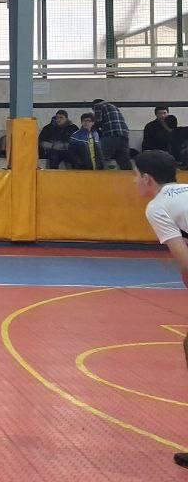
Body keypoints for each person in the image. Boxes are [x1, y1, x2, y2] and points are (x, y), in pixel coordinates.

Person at [132, 149, 188, 471]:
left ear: (147, 179)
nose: (134, 182)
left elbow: (185, 261)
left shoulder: (158, 206)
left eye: (135, 176)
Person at [92, 98, 132, 170]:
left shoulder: (97, 105)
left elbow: (98, 121)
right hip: (124, 135)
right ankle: (129, 176)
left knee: (100, 158)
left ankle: (98, 175)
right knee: (124, 161)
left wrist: (91, 130)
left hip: (111, 134)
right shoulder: (114, 106)